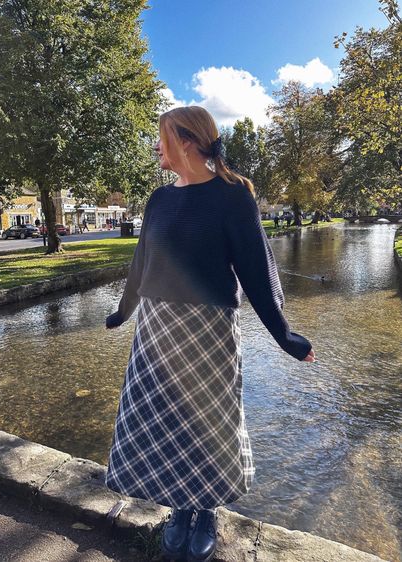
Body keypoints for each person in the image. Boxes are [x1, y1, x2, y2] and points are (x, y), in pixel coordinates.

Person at [105, 106, 315, 562]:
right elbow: (142, 262)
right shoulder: (158, 200)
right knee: (168, 421)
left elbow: (257, 272)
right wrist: (123, 312)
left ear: (187, 140)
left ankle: (206, 509)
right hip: (157, 331)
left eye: (160, 137)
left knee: (209, 424)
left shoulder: (233, 196)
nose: (155, 146)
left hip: (208, 333)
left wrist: (284, 335)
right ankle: (180, 507)